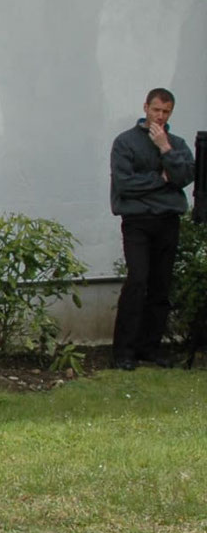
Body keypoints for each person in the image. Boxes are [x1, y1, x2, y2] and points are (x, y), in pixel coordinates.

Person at [109, 88, 194, 371]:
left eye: (166, 111)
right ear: (145, 107)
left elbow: (183, 178)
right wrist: (161, 179)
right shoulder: (125, 143)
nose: (160, 116)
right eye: (156, 109)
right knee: (138, 281)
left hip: (168, 221)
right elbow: (125, 185)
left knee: (161, 285)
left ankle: (151, 347)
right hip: (137, 223)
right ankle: (123, 351)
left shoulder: (178, 144)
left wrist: (165, 149)